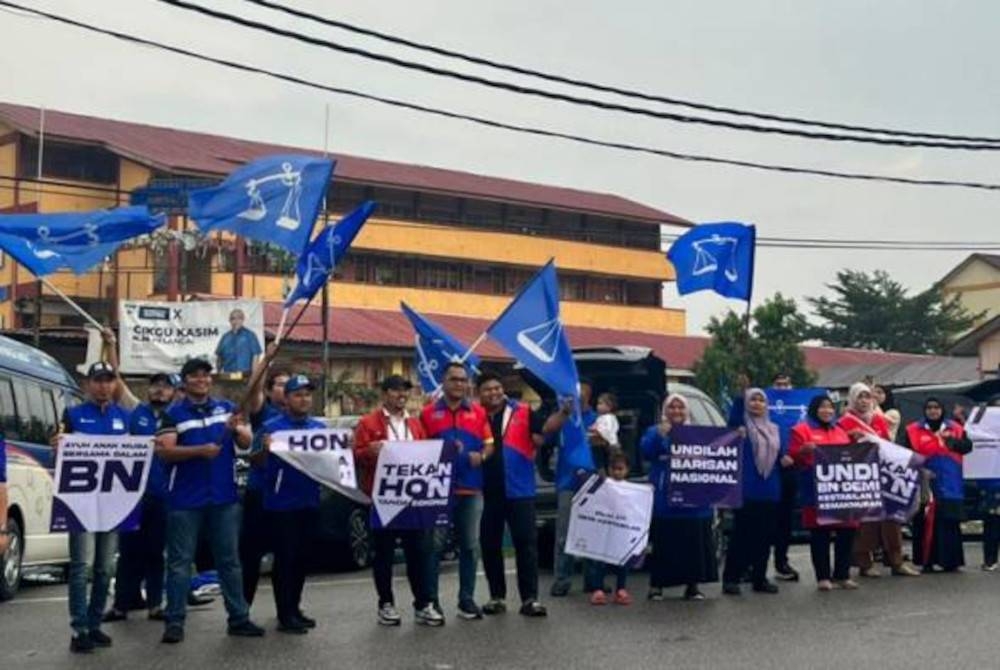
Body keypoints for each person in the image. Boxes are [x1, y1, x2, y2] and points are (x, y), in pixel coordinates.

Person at [155, 358, 264, 644]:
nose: (201, 380)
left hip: (223, 497)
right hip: (184, 499)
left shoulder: (227, 408)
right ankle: (175, 620)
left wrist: (239, 430)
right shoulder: (173, 414)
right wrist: (199, 450)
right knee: (180, 563)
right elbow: (165, 452)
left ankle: (239, 617)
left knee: (229, 561)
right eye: (195, 376)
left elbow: (245, 443)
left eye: (205, 375)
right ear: (185, 381)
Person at [476, 369, 568, 618]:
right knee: (489, 545)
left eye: (497, 388)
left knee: (526, 545)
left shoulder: (522, 411)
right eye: (487, 389)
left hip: (520, 490)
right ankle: (497, 597)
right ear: (479, 395)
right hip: (487, 491)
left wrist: (564, 412)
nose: (494, 392)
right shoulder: (475, 416)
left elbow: (545, 432)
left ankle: (530, 599)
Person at [354, 374, 440, 627]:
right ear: (385, 394)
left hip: (412, 499)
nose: (401, 396)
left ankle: (423, 604)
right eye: (395, 391)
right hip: (383, 499)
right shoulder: (368, 422)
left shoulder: (414, 425)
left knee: (418, 554)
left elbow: (425, 454)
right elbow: (356, 455)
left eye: (405, 392)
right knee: (384, 555)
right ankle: (386, 604)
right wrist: (369, 451)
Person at [59, 361, 132, 653]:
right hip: (81, 505)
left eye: (108, 380)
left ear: (114, 384)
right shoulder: (73, 415)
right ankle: (79, 629)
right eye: (98, 380)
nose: (103, 386)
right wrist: (58, 444)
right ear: (88, 384)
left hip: (112, 504)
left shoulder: (123, 417)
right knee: (82, 567)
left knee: (105, 568)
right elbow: (61, 451)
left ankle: (95, 623)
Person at [104, 372, 179, 623]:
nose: (160, 390)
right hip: (132, 493)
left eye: (166, 386)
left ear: (175, 392)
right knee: (128, 552)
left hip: (164, 494)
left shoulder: (178, 417)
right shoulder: (136, 410)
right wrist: (112, 345)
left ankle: (156, 605)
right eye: (156, 385)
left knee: (157, 552)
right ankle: (121, 606)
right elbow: (117, 383)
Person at [421, 365, 495, 620]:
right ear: (443, 381)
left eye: (463, 380)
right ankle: (431, 601)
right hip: (437, 490)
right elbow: (417, 448)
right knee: (434, 547)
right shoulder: (428, 413)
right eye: (454, 379)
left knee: (470, 546)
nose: (459, 384)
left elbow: (490, 445)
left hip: (471, 487)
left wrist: (482, 456)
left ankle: (466, 600)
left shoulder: (478, 413)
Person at [256, 374, 323, 634]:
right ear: (287, 398)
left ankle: (295, 607)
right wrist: (265, 448)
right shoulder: (272, 427)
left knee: (303, 559)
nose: (304, 399)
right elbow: (256, 461)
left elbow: (332, 461)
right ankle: (284, 613)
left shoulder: (318, 428)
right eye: (298, 394)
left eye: (307, 394)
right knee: (285, 559)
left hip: (309, 500)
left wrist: (345, 446)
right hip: (281, 502)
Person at [838, 383, 920, 578]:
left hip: (885, 475)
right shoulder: (845, 422)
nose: (864, 401)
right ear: (852, 399)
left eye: (867, 397)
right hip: (861, 478)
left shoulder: (878, 419)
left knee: (892, 519)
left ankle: (896, 561)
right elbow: (840, 450)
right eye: (860, 397)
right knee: (866, 522)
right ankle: (865, 563)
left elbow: (888, 446)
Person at [641, 394, 718, 601]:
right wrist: (660, 435)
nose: (676, 411)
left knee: (693, 542)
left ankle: (692, 586)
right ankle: (657, 585)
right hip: (666, 497)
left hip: (693, 498)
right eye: (672, 407)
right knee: (664, 541)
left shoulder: (699, 433)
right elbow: (646, 451)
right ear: (665, 410)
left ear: (687, 411)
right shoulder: (655, 430)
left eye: (680, 407)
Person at [789, 395, 858, 591]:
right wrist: (803, 450)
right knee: (820, 534)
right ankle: (823, 577)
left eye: (830, 407)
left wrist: (855, 442)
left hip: (843, 492)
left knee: (847, 532)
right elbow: (793, 457)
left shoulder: (841, 430)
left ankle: (842, 575)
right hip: (816, 490)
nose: (827, 411)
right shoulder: (802, 429)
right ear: (814, 409)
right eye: (822, 407)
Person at [722, 388, 785, 596]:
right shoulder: (741, 428)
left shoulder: (774, 428)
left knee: (765, 538)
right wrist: (741, 396)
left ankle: (760, 578)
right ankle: (731, 578)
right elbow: (733, 418)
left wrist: (786, 459)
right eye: (753, 400)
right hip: (747, 489)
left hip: (770, 489)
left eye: (761, 400)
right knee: (741, 536)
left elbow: (780, 454)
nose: (757, 403)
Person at [901, 397, 972, 573]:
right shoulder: (912, 430)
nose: (933, 411)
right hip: (925, 483)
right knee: (924, 522)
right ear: (925, 411)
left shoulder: (955, 428)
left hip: (950, 482)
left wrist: (950, 442)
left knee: (949, 522)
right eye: (930, 408)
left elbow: (967, 447)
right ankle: (927, 560)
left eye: (937, 407)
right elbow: (904, 454)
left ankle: (951, 561)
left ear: (942, 410)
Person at [241, 353, 289, 608]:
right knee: (251, 555)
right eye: (279, 383)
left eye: (288, 384)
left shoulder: (301, 419)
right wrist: (264, 362)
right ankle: (242, 610)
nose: (285, 388)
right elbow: (252, 391)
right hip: (260, 492)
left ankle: (288, 608)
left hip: (288, 497)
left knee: (286, 556)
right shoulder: (264, 413)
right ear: (269, 391)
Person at [550, 379, 600, 597]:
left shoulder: (597, 420)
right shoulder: (564, 418)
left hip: (592, 482)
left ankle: (593, 581)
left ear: (589, 395)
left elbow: (611, 444)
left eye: (582, 394)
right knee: (564, 535)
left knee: (592, 533)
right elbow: (546, 430)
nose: (578, 397)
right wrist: (563, 411)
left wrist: (603, 440)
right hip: (566, 481)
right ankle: (562, 580)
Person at [586, 449, 634, 605]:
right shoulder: (603, 486)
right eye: (614, 469)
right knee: (600, 561)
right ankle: (598, 589)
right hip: (604, 531)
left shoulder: (632, 490)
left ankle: (621, 589)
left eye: (620, 469)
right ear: (609, 470)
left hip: (621, 532)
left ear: (627, 470)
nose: (617, 472)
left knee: (622, 562)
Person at [769, 372, 801, 582]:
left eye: (786, 384)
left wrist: (793, 456)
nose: (782, 387)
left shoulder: (800, 410)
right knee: (763, 520)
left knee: (785, 520)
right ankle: (753, 566)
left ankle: (782, 562)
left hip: (791, 469)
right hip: (766, 472)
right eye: (778, 384)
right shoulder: (765, 407)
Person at [215, 308, 263, 375]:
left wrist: (254, 377)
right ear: (229, 320)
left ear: (243, 319)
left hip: (245, 374)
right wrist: (218, 373)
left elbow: (256, 356)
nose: (235, 321)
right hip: (228, 375)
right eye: (233, 319)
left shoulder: (250, 336)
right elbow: (219, 357)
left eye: (239, 318)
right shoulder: (225, 337)